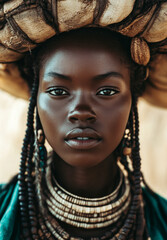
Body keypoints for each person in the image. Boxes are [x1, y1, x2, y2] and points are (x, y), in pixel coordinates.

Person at [0, 27, 167, 240]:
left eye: (106, 91)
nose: (80, 112)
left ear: (131, 101)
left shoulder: (160, 223)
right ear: (36, 101)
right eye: (58, 91)